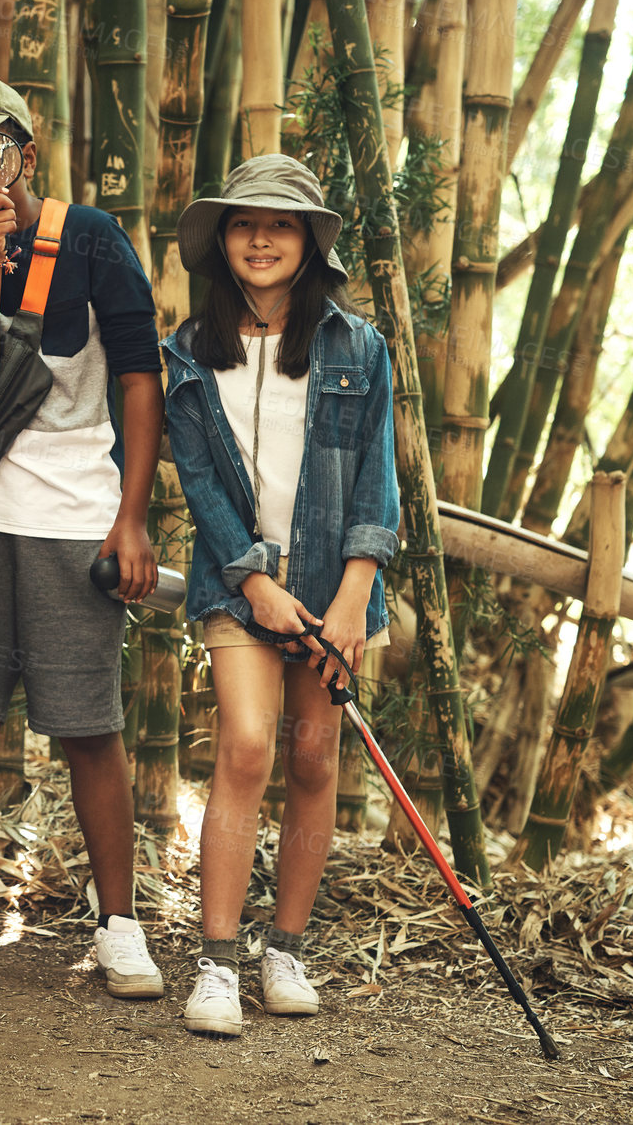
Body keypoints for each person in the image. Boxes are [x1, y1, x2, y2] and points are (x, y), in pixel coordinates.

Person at [0, 75, 167, 1000]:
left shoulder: (93, 237)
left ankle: (121, 922)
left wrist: (131, 517)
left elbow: (140, 377)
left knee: (89, 728)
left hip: (75, 519)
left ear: (26, 144)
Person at [161, 154, 399, 1038]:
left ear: (309, 242)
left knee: (312, 761)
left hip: (337, 585)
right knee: (249, 748)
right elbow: (199, 485)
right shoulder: (187, 352)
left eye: (282, 224)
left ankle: (286, 948)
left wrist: (352, 596)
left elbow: (379, 477)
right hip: (238, 584)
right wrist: (255, 580)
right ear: (221, 240)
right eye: (244, 223)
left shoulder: (355, 345)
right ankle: (217, 961)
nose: (261, 238)